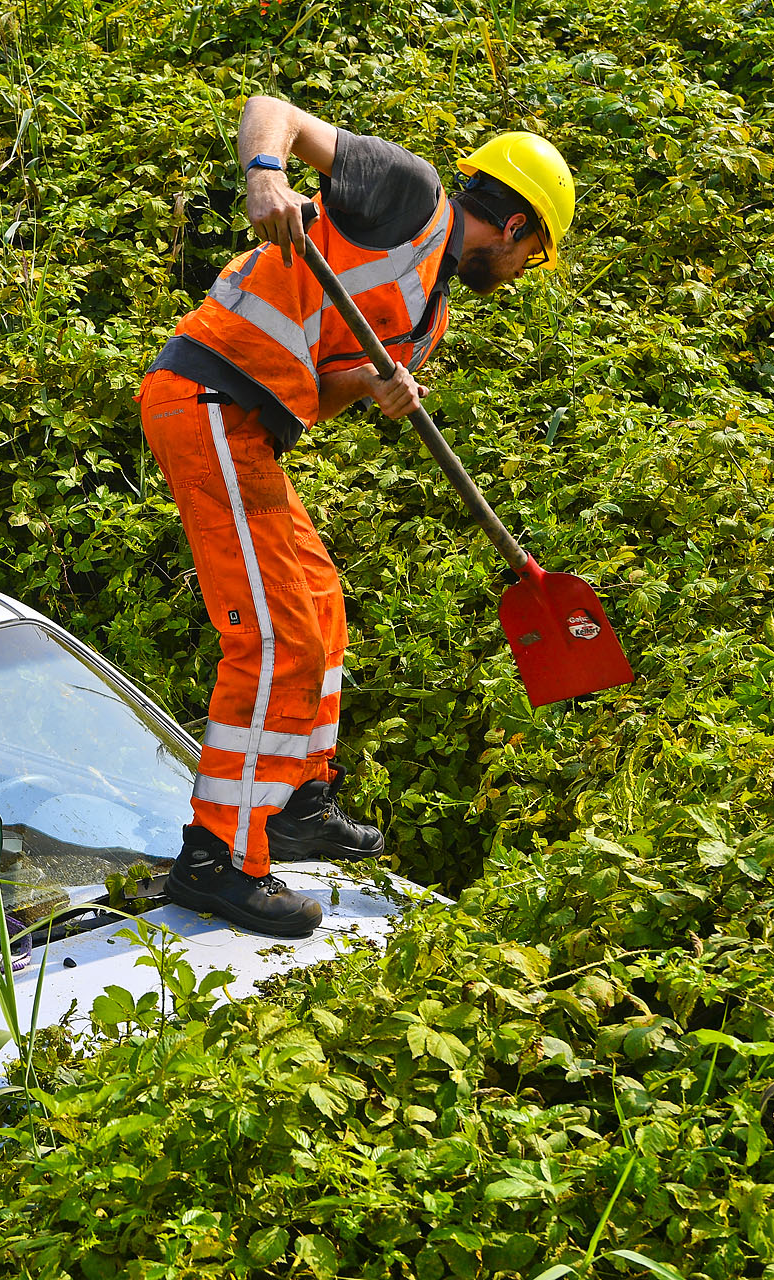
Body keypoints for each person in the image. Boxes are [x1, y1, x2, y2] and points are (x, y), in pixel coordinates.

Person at [138, 95, 575, 937]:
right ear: (514, 225)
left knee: (319, 603)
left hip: (250, 427)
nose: (521, 274)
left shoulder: (428, 318)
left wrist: (373, 388)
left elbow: (315, 399)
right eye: (533, 256)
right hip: (203, 397)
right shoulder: (409, 195)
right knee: (275, 637)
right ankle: (217, 859)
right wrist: (267, 178)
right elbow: (272, 112)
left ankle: (300, 799)